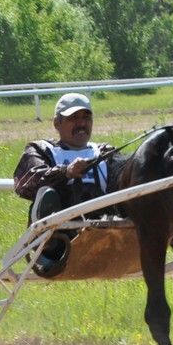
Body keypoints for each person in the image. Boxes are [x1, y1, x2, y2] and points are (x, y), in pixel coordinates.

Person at [12, 92, 124, 276]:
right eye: (74, 118)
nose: (81, 123)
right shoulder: (41, 150)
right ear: (57, 123)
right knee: (47, 193)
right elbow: (24, 184)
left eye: (86, 117)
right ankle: (52, 244)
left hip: (104, 239)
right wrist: (65, 172)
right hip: (56, 247)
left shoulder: (106, 153)